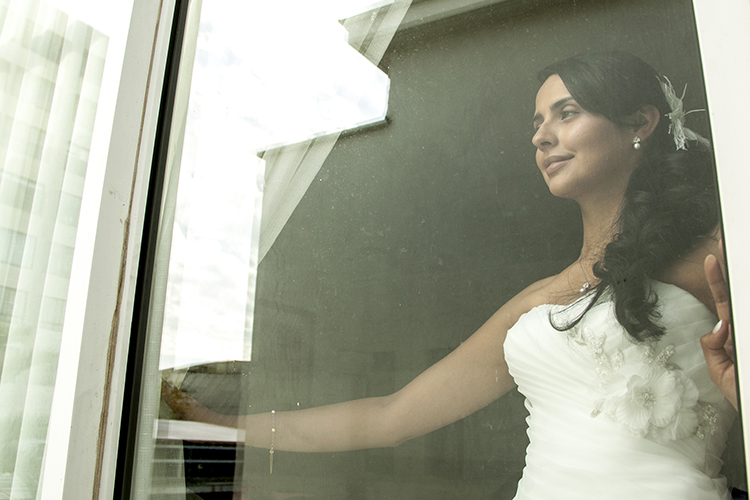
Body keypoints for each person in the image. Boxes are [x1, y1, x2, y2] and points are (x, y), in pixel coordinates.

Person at [163, 52, 739, 499]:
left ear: (640, 121)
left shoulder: (718, 256)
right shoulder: (537, 303)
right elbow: (389, 417)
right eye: (537, 121)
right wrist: (223, 424)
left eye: (567, 113)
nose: (540, 136)